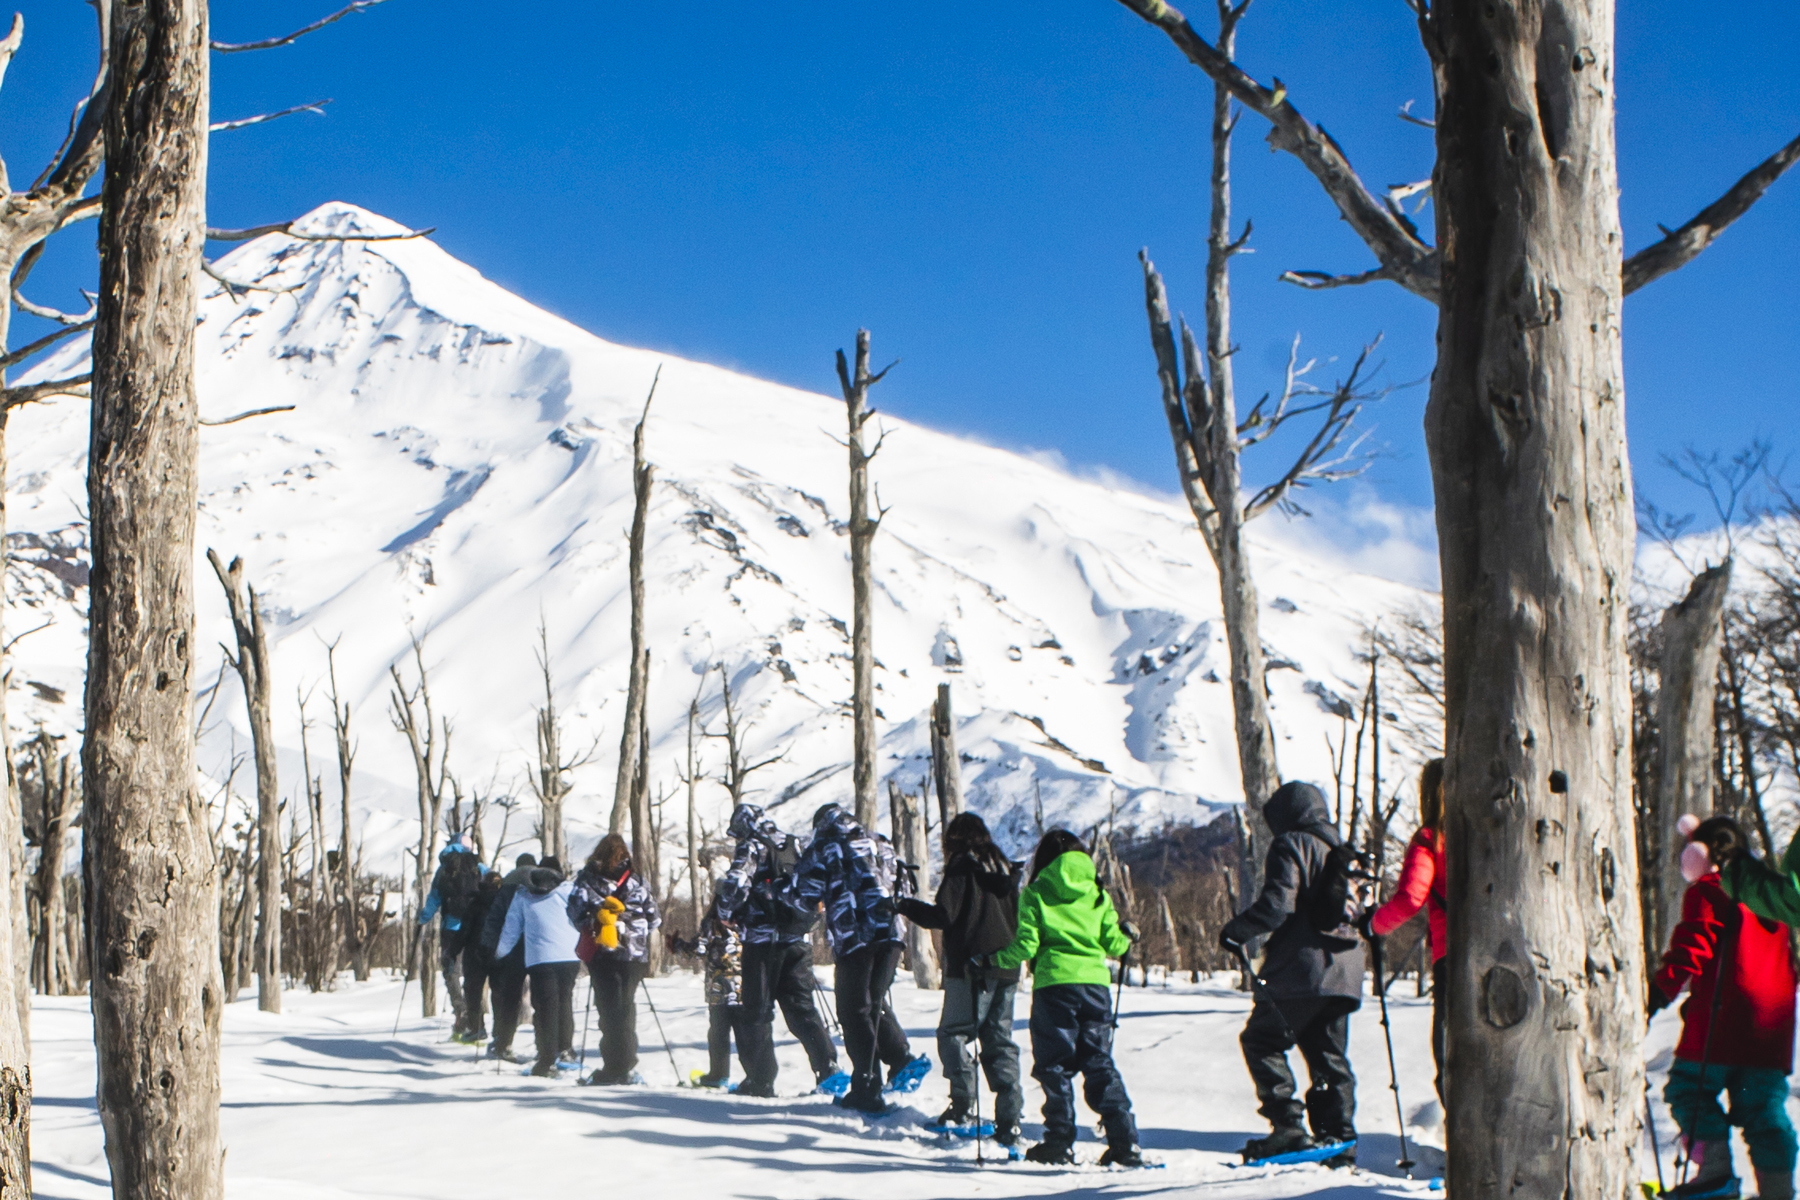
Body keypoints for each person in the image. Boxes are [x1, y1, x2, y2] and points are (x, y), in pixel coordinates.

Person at [1650, 815, 1797, 1200]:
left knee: (1689, 1090)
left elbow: (1692, 946)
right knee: (1764, 1113)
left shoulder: (1709, 892)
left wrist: (1660, 991)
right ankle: (1778, 1190)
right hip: (1771, 1031)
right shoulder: (1771, 900)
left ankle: (1715, 1175)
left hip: (1719, 1025)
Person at [1219, 781, 1364, 1166]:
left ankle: (1288, 1125)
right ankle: (1340, 1140)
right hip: (1346, 972)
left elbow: (1277, 905)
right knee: (1328, 1055)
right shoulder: (1345, 852)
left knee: (1262, 1040)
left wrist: (1236, 931)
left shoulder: (1292, 844)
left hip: (1301, 968)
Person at [990, 829, 1141, 1167]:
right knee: (1098, 1061)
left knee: (1054, 1065)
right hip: (1096, 986)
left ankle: (1059, 1141)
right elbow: (1115, 944)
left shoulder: (1036, 892)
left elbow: (1026, 947)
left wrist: (992, 960)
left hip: (1054, 986)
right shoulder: (1097, 893)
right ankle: (1124, 1142)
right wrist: (1127, 935)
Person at [895, 811, 1025, 1147]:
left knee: (953, 1034)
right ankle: (1010, 1117)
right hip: (1006, 967)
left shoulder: (961, 869)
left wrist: (904, 906)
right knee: (999, 1041)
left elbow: (944, 915)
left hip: (969, 967)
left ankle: (962, 1106)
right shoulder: (1004, 867)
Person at [788, 802, 928, 1114]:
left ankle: (867, 1088)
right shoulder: (880, 842)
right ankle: (888, 1069)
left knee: (853, 1011)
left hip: (855, 936)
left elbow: (803, 896)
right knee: (872, 1005)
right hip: (892, 935)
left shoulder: (824, 846)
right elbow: (904, 887)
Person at [717, 802, 841, 1096]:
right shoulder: (794, 843)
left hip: (762, 943)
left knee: (756, 1012)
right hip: (798, 939)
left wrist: (725, 911)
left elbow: (736, 882)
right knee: (802, 1009)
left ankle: (760, 1079)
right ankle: (828, 1071)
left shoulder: (753, 846)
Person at [1363, 758, 1446, 1101]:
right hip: (1508, 951)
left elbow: (1411, 898)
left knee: (1450, 1052)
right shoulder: (1493, 830)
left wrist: (1373, 923)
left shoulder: (1431, 838)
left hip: (1451, 956)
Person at [568, 833, 662, 1086]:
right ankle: (627, 1063)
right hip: (634, 954)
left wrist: (595, 921)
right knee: (626, 1006)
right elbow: (655, 919)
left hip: (603, 953)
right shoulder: (637, 880)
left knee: (608, 1008)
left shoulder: (586, 880)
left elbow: (575, 914)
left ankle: (613, 1065)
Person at [494, 857, 581, 1077]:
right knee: (564, 1001)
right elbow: (581, 916)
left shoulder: (523, 895)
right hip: (569, 954)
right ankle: (566, 1049)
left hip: (540, 957)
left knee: (545, 1007)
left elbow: (511, 928)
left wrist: (500, 953)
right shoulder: (569, 890)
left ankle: (546, 1059)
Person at [671, 895, 747, 1089]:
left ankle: (718, 1075)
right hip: (744, 985)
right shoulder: (749, 918)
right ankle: (754, 1076)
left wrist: (676, 945)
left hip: (718, 987)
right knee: (745, 1032)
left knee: (718, 1033)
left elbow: (698, 949)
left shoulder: (712, 923)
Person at [417, 833, 487, 1040]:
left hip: (452, 928)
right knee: (474, 975)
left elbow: (434, 898)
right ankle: (476, 1021)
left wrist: (423, 918)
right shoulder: (479, 867)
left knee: (451, 971)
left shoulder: (444, 868)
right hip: (475, 929)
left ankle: (460, 1011)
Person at [479, 852, 537, 1061]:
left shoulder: (508, 885)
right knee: (542, 997)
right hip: (538, 946)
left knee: (509, 997)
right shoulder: (542, 882)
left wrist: (491, 948)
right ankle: (548, 1047)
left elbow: (495, 918)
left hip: (511, 948)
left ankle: (504, 1042)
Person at [460, 870, 505, 1045]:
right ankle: (500, 1031)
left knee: (473, 992)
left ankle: (476, 1027)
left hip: (474, 953)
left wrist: (453, 950)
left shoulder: (475, 902)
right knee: (499, 993)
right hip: (499, 952)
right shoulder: (505, 901)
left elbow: (464, 930)